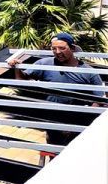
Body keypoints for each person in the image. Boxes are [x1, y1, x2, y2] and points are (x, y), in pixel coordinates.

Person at [14, 32, 104, 162]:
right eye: (54, 48)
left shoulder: (89, 72)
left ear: (72, 48)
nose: (57, 52)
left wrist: (77, 125)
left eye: (62, 48)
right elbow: (22, 81)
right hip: (53, 122)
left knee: (76, 159)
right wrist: (16, 67)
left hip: (77, 125)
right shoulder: (45, 64)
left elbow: (99, 100)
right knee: (55, 158)